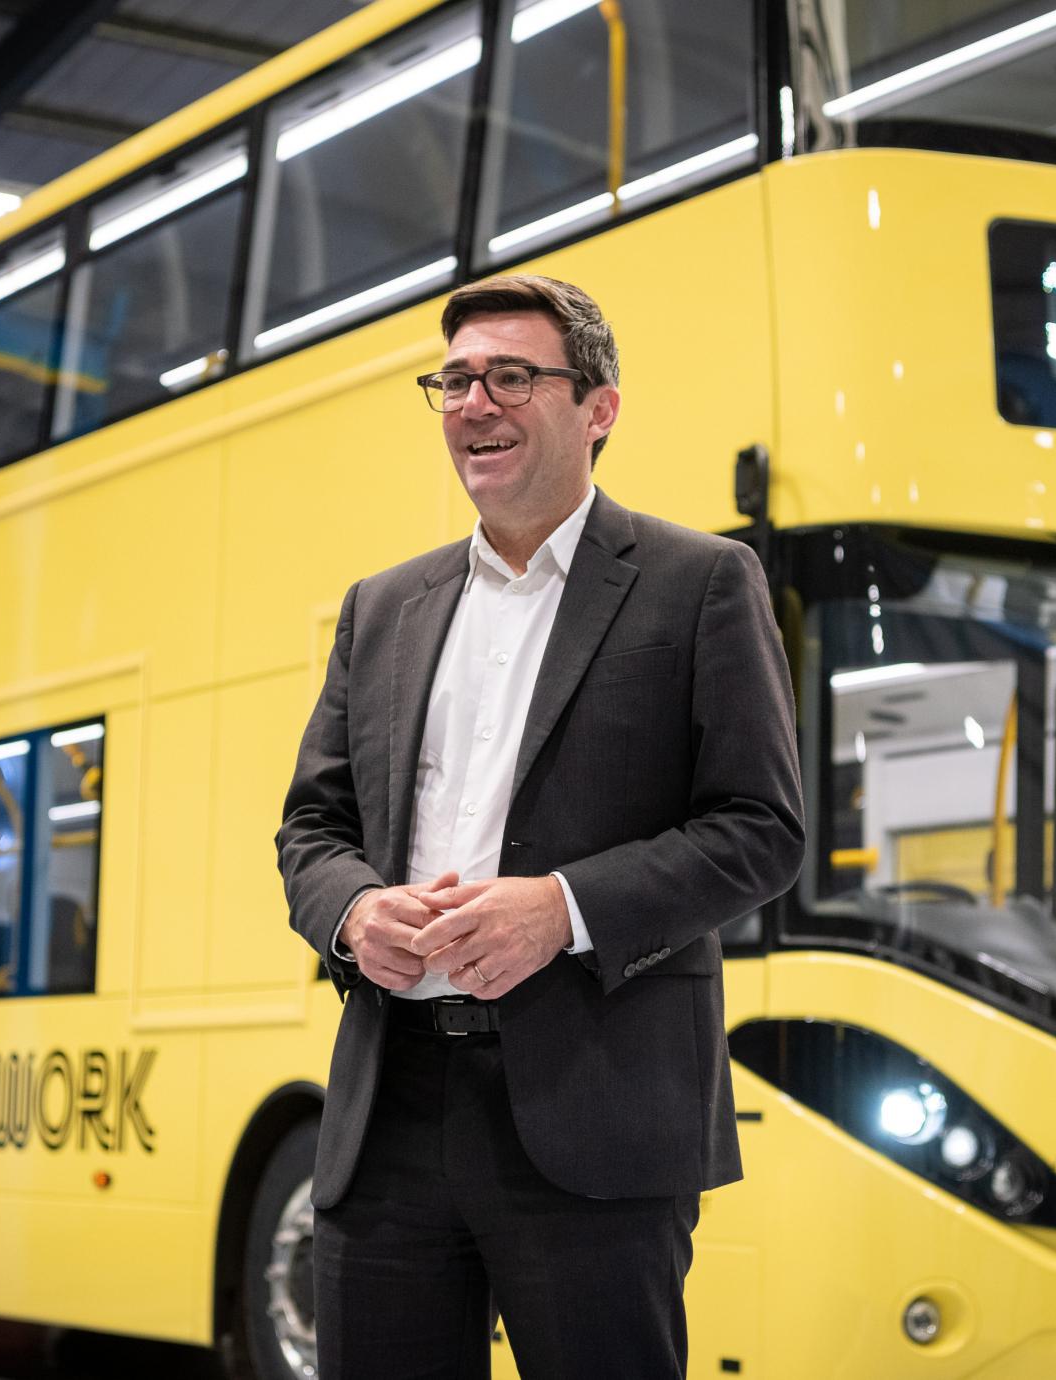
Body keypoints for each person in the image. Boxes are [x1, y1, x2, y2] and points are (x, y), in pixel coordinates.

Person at [276, 273, 803, 1379]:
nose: (474, 403)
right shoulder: (382, 606)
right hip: (390, 1116)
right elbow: (312, 828)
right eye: (454, 381)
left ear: (596, 407)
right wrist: (354, 913)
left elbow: (761, 827)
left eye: (511, 376)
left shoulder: (698, 582)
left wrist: (559, 912)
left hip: (593, 1117)